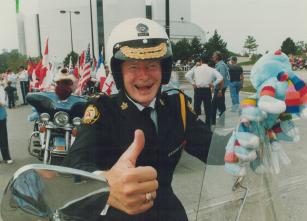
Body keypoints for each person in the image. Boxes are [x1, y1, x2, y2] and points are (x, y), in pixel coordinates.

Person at [64, 18, 213, 221]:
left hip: (169, 213)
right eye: (133, 67)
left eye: (152, 65)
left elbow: (210, 148)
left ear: (164, 70)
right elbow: (74, 163)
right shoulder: (103, 109)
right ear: (118, 73)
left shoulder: (177, 107)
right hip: (118, 213)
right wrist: (107, 184)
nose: (144, 76)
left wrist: (247, 135)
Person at [185, 56, 223, 126]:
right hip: (207, 90)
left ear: (201, 61)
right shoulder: (212, 69)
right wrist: (213, 84)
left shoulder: (196, 68)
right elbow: (220, 77)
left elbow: (187, 75)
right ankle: (208, 125)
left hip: (198, 90)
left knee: (196, 108)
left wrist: (193, 83)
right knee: (208, 109)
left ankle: (195, 124)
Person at [211, 51, 230, 127]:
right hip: (218, 88)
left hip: (220, 88)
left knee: (219, 105)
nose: (212, 57)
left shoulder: (221, 65)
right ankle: (214, 122)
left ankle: (218, 123)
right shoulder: (219, 64)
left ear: (217, 57)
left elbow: (221, 78)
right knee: (217, 105)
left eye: (214, 55)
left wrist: (219, 90)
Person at [0, 81, 13, 164]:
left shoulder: (0, 88)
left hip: (0, 115)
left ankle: (6, 157)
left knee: (3, 136)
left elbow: (3, 102)